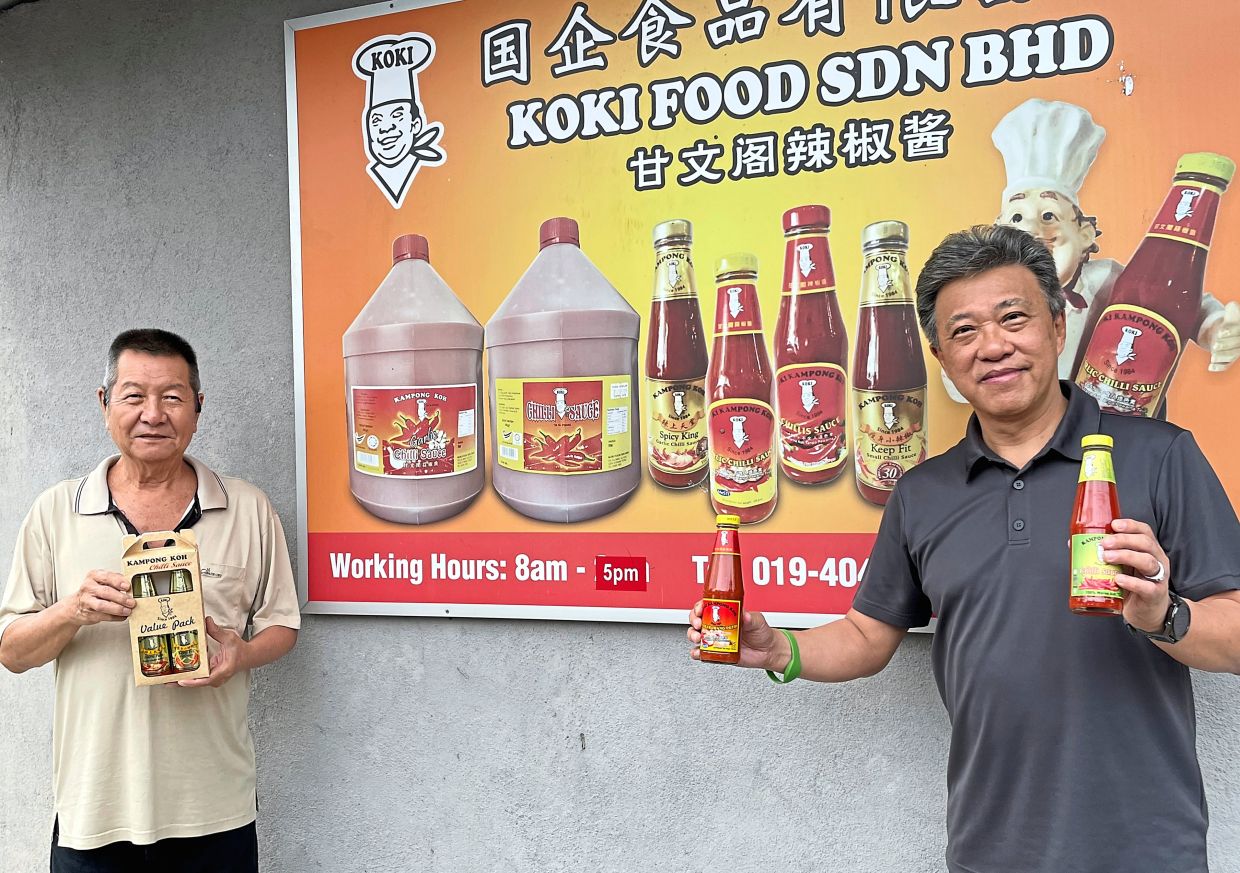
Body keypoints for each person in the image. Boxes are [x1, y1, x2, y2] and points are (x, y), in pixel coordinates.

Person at [690, 225, 1240, 873]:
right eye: (964, 331)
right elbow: (869, 632)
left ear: (1058, 328)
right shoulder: (924, 493)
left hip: (1145, 849)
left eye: (1014, 318)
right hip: (990, 849)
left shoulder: (1160, 454)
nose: (994, 346)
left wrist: (1163, 614)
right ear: (942, 359)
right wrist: (780, 650)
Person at [0, 329, 301, 872]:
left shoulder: (249, 508)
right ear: (105, 402)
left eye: (173, 397)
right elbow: (12, 652)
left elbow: (282, 626)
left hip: (215, 809)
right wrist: (73, 610)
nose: (153, 414)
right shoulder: (55, 512)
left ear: (198, 408)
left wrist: (241, 654)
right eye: (135, 395)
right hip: (95, 810)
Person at [940, 98, 1240, 402]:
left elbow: (1178, 299)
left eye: (1049, 216)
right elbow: (959, 388)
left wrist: (1216, 328)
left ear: (1084, 234)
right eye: (1017, 218)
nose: (1032, 230)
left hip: (1115, 420)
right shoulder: (984, 302)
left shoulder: (1108, 279)